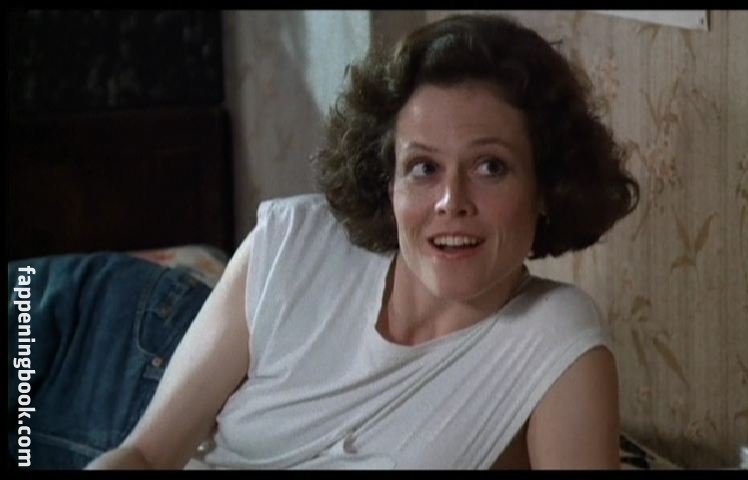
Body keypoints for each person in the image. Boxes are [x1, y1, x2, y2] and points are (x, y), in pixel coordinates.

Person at [87, 13, 638, 469]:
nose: (452, 201)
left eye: (490, 166)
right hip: (116, 335)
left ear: (547, 186)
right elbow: (145, 454)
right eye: (423, 168)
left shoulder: (555, 336)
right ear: (387, 182)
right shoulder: (293, 243)